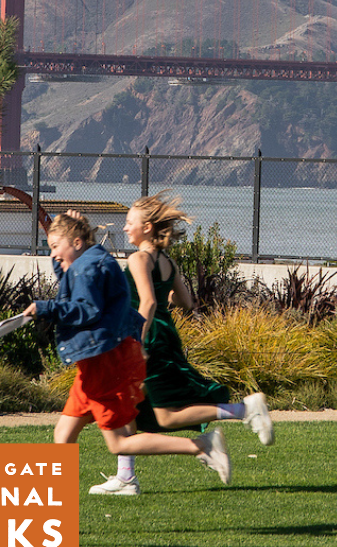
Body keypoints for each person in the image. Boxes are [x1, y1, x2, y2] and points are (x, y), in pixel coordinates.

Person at [23, 209, 232, 489]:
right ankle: (62, 494)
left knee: (119, 441)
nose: (52, 255)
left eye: (55, 247)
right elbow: (72, 283)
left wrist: (45, 307)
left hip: (102, 364)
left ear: (76, 243)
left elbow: (87, 308)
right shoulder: (92, 259)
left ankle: (201, 445)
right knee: (63, 433)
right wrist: (70, 243)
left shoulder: (86, 267)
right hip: (95, 363)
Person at [95, 194, 274, 497]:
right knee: (131, 407)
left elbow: (149, 302)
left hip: (146, 338)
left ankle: (243, 410)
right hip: (166, 334)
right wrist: (159, 301)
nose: (125, 229)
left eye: (130, 223)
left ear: (147, 227)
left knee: (165, 415)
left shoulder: (138, 258)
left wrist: (138, 339)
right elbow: (185, 301)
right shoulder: (167, 262)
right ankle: (125, 477)